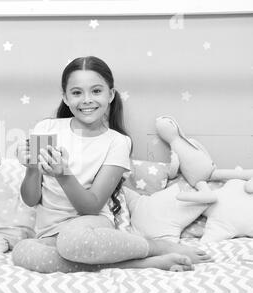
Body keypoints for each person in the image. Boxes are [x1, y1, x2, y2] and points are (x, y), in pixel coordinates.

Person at [12, 56, 213, 273]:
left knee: (71, 241)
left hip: (90, 226)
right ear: (65, 97)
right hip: (50, 234)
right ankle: (140, 264)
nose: (87, 99)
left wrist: (63, 175)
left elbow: (91, 206)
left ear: (111, 94)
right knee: (22, 252)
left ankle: (156, 247)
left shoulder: (117, 142)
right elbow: (31, 200)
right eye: (77, 92)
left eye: (96, 91)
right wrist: (32, 169)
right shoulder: (46, 128)